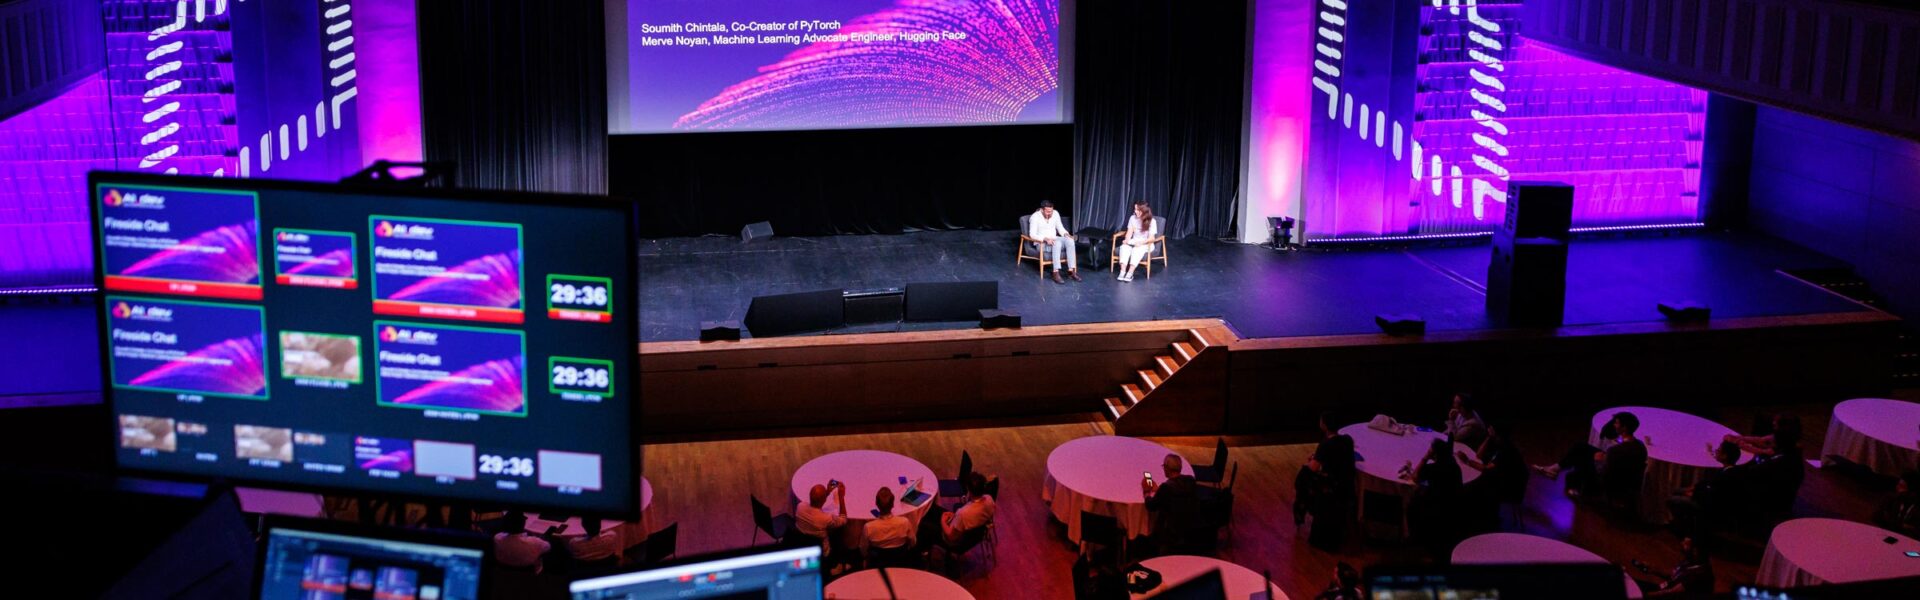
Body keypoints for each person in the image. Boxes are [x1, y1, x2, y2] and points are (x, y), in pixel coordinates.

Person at [1536, 411, 1648, 501]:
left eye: (1617, 423)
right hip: (1627, 478)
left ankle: (1580, 490)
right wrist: (1604, 457)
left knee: (1581, 457)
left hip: (1611, 481)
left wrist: (1597, 460)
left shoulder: (1615, 450)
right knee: (1581, 446)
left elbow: (1604, 471)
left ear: (1624, 428)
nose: (1614, 425)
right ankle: (1555, 468)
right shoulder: (1640, 446)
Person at [1295, 410, 1357, 550]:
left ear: (1323, 425)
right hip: (1346, 487)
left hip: (1331, 488)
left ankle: (1301, 513)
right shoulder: (1347, 441)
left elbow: (1313, 468)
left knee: (1302, 479)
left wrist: (1310, 462)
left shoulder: (1326, 445)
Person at [1456, 420, 1525, 533]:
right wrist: (1488, 437)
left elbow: (1486, 468)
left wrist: (1467, 461)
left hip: (1509, 487)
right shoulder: (1499, 442)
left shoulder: (1506, 450)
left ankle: (1482, 522)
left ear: (1497, 433)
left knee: (1471, 489)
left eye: (1491, 429)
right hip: (1500, 479)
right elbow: (1479, 455)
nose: (1488, 429)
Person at [1667, 440, 1743, 538]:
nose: (1716, 452)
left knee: (1671, 500)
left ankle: (1686, 530)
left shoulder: (1727, 476)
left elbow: (1714, 496)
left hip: (1711, 507)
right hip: (1706, 498)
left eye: (1719, 450)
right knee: (1676, 491)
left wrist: (1691, 494)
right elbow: (1707, 484)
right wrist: (1691, 489)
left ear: (1725, 456)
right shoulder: (1728, 471)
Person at [1409, 437, 1465, 555]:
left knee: (1412, 502)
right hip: (1454, 505)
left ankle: (1414, 537)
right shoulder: (1455, 467)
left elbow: (1415, 477)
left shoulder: (1434, 468)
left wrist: (1425, 457)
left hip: (1436, 505)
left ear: (1434, 454)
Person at [1143, 453, 1202, 554]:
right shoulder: (1190, 480)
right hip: (1189, 524)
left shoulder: (1166, 488)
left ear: (1167, 468)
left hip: (1170, 530)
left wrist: (1147, 493)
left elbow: (1151, 506)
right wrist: (1159, 489)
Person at [1637, 536, 1714, 597]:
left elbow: (1671, 592)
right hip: (1663, 589)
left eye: (1685, 544)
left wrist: (1645, 595)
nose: (1681, 543)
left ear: (1695, 551)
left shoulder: (1699, 575)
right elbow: (1674, 576)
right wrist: (1653, 570)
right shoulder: (1691, 561)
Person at [1028, 200, 1080, 283]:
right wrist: (1045, 239)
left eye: (1051, 211)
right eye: (1048, 211)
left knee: (1070, 241)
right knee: (1057, 243)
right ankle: (1055, 272)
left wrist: (1066, 234)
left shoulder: (1055, 213)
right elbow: (1032, 234)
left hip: (1054, 238)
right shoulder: (1034, 217)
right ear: (1042, 210)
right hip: (1042, 243)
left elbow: (1060, 228)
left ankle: (1071, 270)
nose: (1050, 213)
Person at [940, 472, 997, 545]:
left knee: (928, 527)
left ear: (969, 490)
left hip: (957, 541)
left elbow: (951, 537)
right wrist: (955, 516)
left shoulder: (963, 513)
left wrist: (942, 521)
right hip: (975, 537)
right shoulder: (989, 499)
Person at [795, 481, 848, 558]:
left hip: (802, 543)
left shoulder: (800, 506)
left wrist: (827, 492)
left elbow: (817, 501)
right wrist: (841, 497)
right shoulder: (825, 518)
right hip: (823, 551)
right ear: (824, 500)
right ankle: (836, 563)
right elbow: (843, 519)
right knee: (840, 529)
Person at [1115, 201, 1158, 282]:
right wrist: (1126, 240)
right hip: (1134, 241)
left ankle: (1130, 273)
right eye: (1135, 209)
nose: (1135, 211)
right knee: (1124, 247)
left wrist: (1141, 243)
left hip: (1146, 243)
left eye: (1138, 210)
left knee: (1136, 250)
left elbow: (1152, 238)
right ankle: (1122, 272)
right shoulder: (1132, 218)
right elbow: (1129, 232)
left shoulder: (1152, 221)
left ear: (1144, 210)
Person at [1873, 471, 1920, 538]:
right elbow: (1876, 517)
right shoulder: (1890, 499)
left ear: (1913, 492)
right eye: (1898, 484)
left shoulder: (1917, 508)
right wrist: (1902, 526)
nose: (1897, 487)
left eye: (1902, 486)